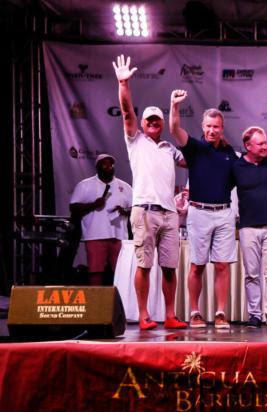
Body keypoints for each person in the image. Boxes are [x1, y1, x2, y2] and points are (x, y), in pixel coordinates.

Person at [113, 55, 187, 331]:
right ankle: (144, 315)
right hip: (144, 210)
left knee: (169, 268)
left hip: (169, 214)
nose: (154, 123)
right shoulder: (135, 140)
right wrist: (123, 84)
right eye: (150, 120)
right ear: (143, 124)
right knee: (144, 266)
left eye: (158, 120)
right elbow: (125, 110)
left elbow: (193, 162)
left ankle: (170, 314)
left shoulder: (169, 148)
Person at [169, 90, 238, 329]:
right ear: (203, 126)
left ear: (222, 128)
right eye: (208, 126)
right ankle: (195, 312)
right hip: (199, 212)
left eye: (216, 127)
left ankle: (220, 313)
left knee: (221, 265)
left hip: (224, 213)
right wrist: (174, 106)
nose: (211, 130)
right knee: (197, 265)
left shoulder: (230, 153)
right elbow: (174, 129)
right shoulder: (194, 148)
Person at [232, 126, 267, 329]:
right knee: (251, 274)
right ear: (248, 146)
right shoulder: (236, 167)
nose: (266, 146)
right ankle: (254, 314)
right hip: (247, 228)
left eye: (266, 143)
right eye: (261, 143)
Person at [69, 154, 132, 286]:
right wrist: (93, 205)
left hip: (119, 236)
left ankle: (119, 303)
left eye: (111, 164)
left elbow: (134, 209)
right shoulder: (85, 185)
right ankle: (96, 302)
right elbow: (73, 207)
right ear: (97, 167)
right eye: (105, 164)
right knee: (96, 272)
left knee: (120, 273)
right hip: (95, 235)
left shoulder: (125, 186)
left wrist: (125, 211)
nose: (109, 167)